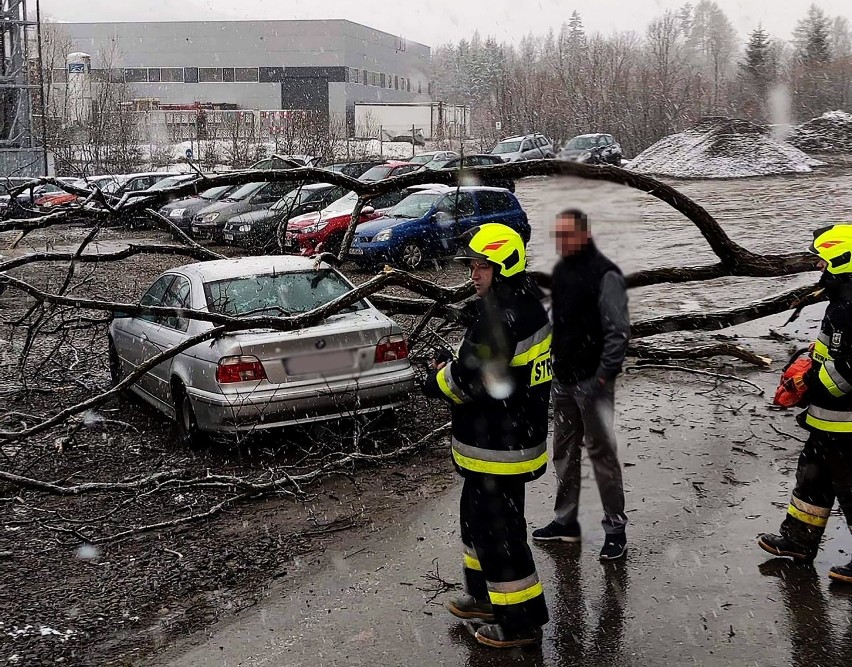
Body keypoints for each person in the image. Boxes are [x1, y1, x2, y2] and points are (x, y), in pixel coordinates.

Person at [423, 223, 552, 648]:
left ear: (504, 267)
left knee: (499, 534)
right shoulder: (526, 305)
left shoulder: (500, 320)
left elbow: (463, 384)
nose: (473, 274)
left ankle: (518, 622)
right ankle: (483, 597)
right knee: (477, 521)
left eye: (481, 266)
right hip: (512, 440)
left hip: (497, 447)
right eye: (472, 265)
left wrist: (434, 376)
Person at [532, 208, 631, 561]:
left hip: (594, 383)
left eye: (567, 235)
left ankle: (615, 528)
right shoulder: (561, 272)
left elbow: (619, 333)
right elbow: (556, 324)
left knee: (602, 457)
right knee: (564, 452)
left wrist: (602, 376)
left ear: (584, 235)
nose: (560, 242)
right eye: (556, 235)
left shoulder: (606, 275)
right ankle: (565, 522)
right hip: (563, 379)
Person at [758, 224, 852, 584]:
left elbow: (848, 369)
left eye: (825, 262)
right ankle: (798, 542)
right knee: (812, 479)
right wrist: (809, 358)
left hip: (845, 423)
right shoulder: (842, 301)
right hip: (829, 422)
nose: (820, 269)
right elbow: (833, 350)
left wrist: (807, 380)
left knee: (849, 489)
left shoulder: (849, 307)